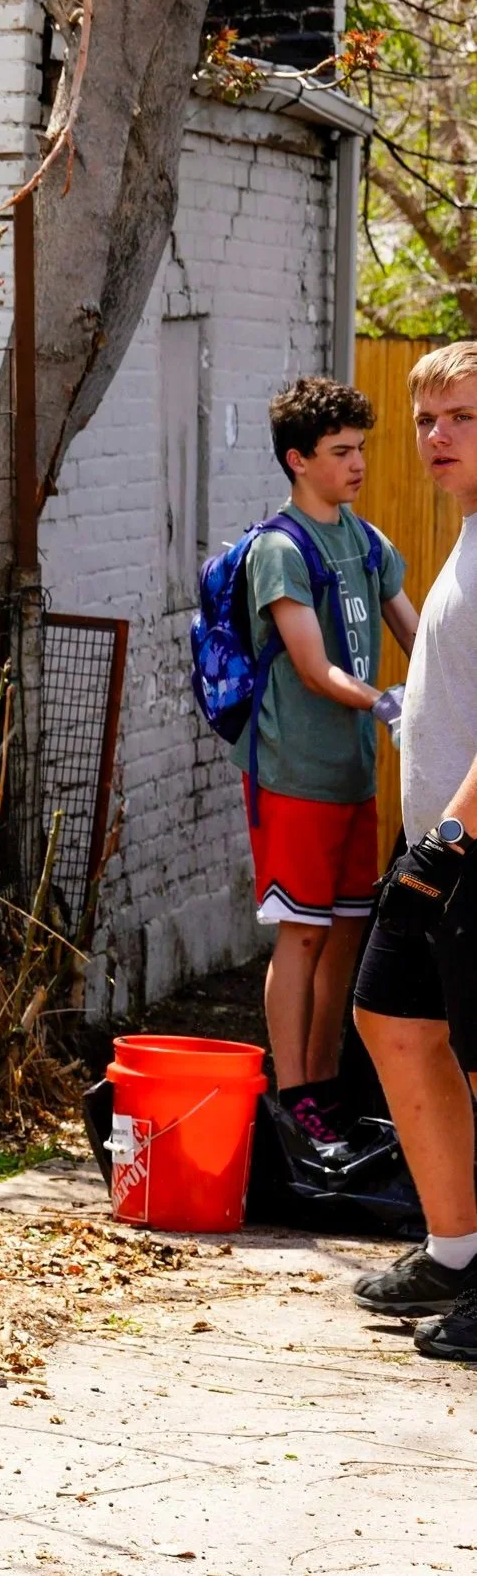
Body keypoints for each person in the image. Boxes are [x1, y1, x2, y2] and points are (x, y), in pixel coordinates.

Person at [238, 377, 414, 1141]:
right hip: (294, 773)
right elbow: (312, 667)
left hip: (351, 774)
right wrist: (383, 702)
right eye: (341, 452)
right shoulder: (281, 548)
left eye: (361, 449)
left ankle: (327, 1082)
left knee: (347, 930)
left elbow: (419, 633)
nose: (357, 464)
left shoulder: (368, 542)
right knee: (301, 933)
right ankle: (293, 1092)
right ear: (297, 459)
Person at [350, 341, 477, 1355]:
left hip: (464, 846)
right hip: (442, 841)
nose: (436, 436)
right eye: (427, 418)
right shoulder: (466, 532)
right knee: (391, 1013)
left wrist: (443, 845)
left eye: (461, 417)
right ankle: (458, 1246)